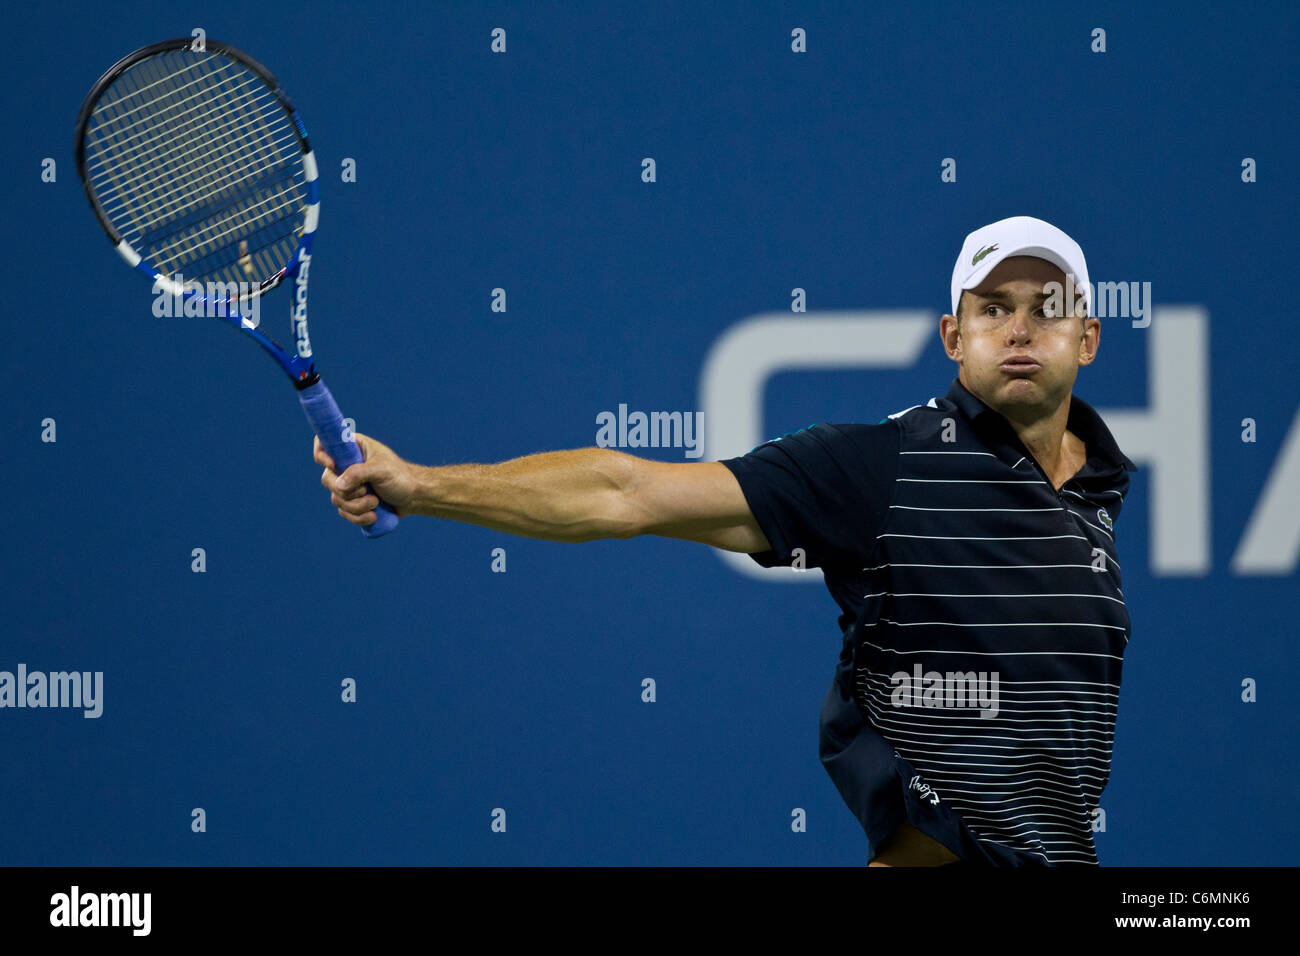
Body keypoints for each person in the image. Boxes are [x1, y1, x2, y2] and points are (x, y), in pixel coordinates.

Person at [312, 215, 1136, 867]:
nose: (1021, 330)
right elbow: (623, 491)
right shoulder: (886, 467)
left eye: (1047, 309)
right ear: (954, 340)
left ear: (1088, 339)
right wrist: (423, 486)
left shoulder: (1095, 496)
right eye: (993, 309)